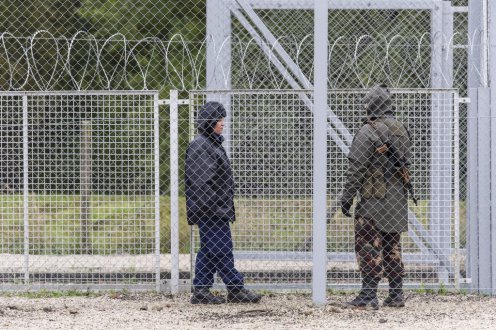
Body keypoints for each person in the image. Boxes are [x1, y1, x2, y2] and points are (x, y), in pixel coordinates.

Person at [340, 84, 412, 309]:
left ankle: (369, 295)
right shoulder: (401, 129)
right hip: (397, 198)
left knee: (368, 244)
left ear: (370, 105)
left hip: (373, 198)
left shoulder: (368, 130)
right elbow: (407, 162)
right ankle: (396, 294)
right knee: (392, 245)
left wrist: (347, 197)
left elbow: (357, 169)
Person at [185, 101, 262, 304]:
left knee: (209, 250)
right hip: (211, 210)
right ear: (208, 121)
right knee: (221, 248)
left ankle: (201, 290)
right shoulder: (202, 146)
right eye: (219, 120)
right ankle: (236, 288)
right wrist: (213, 208)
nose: (222, 124)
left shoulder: (210, 143)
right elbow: (202, 183)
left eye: (223, 120)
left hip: (213, 209)